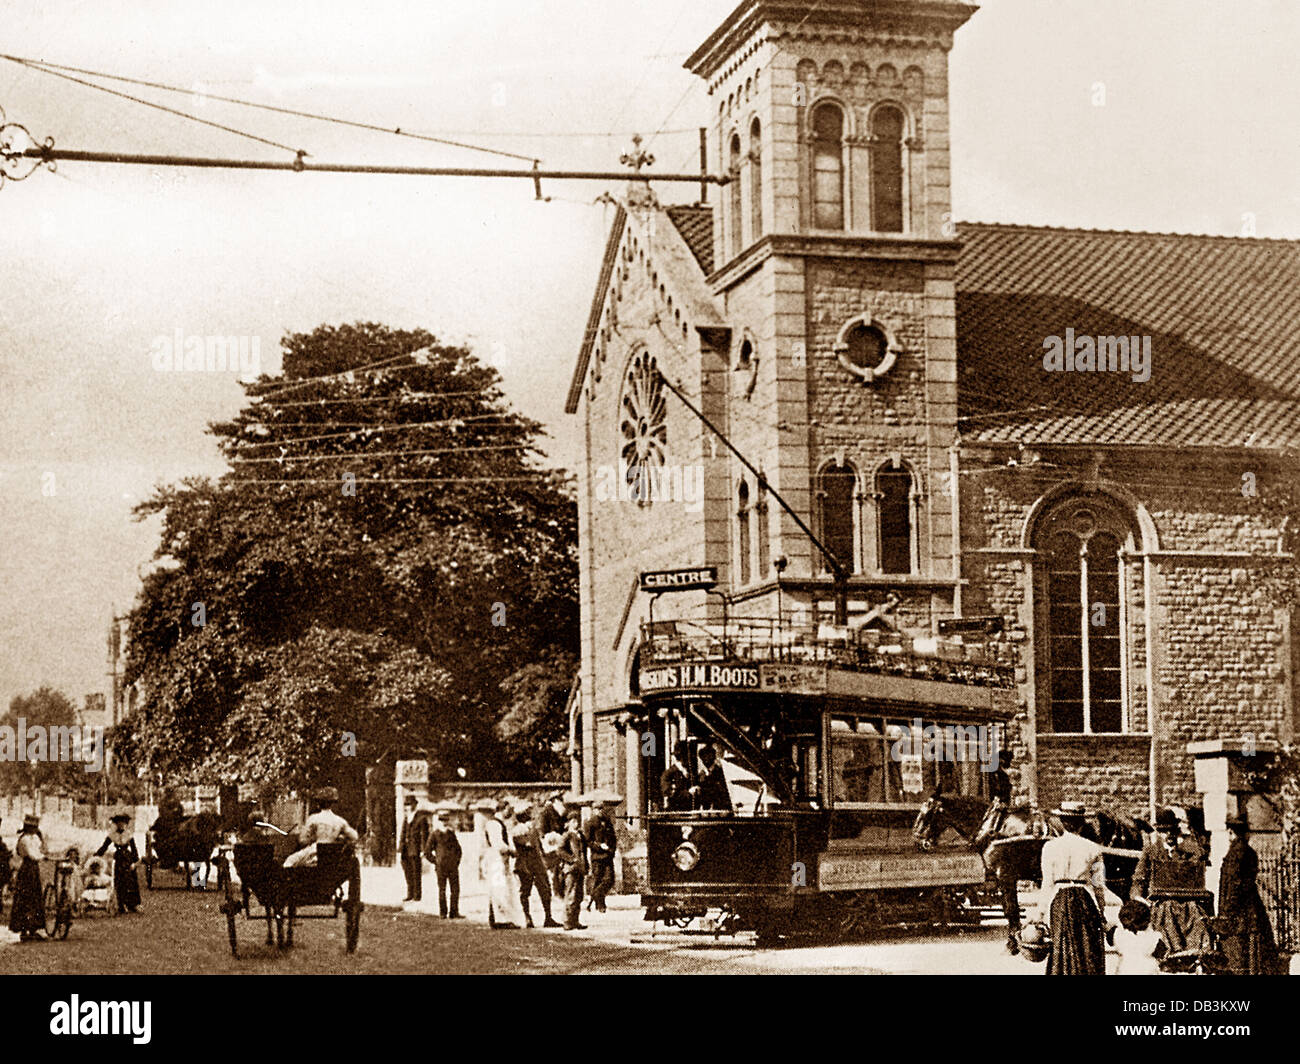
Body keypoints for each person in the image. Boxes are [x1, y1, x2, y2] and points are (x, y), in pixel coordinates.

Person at [1035, 801, 1107, 975]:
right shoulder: (1092, 848)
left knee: (1061, 945)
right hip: (1084, 900)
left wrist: (1039, 914)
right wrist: (1102, 912)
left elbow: (1047, 884)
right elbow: (1098, 886)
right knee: (1087, 947)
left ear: (1061, 821)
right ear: (1082, 824)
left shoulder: (1049, 847)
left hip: (1059, 900)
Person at [1130, 808, 1211, 956]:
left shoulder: (1187, 851)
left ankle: (1193, 955)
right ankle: (1171, 954)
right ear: (1158, 833)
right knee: (1165, 912)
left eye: (1171, 830)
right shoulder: (1151, 851)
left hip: (1187, 903)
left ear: (1177, 830)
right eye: (1163, 831)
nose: (1168, 835)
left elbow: (1200, 860)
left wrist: (1187, 847)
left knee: (1196, 913)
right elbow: (1138, 879)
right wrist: (1140, 901)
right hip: (1161, 903)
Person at [1217, 813, 1282, 975]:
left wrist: (1227, 912)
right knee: (1256, 952)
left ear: (1231, 832)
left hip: (1239, 914)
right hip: (1251, 909)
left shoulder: (1235, 854)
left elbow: (1234, 886)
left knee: (1240, 956)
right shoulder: (1248, 852)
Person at [283, 787, 359, 868]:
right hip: (333, 855)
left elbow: (302, 840)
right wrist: (341, 838)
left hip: (315, 851)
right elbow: (355, 837)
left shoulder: (313, 818)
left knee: (290, 860)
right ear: (332, 804)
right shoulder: (340, 821)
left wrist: (312, 838)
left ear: (319, 804)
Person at [478, 799, 525, 929]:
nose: (510, 813)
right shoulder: (494, 824)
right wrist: (512, 851)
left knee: (501, 888)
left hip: (499, 859)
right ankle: (501, 920)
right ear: (502, 809)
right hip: (496, 859)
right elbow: (498, 844)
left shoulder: (499, 823)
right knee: (499, 888)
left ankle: (498, 918)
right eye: (508, 810)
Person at [514, 806, 560, 928]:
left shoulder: (532, 830)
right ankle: (528, 918)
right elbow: (527, 844)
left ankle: (548, 917)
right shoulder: (518, 830)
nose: (531, 819)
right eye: (529, 817)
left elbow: (540, 847)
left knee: (545, 890)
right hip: (525, 865)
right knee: (525, 891)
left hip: (537, 864)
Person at [95, 813, 141, 914]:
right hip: (119, 859)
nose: (121, 825)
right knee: (119, 882)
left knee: (131, 882)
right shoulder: (112, 835)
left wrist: (135, 862)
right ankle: (121, 905)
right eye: (119, 823)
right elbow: (104, 847)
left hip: (128, 859)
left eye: (123, 823)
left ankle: (132, 905)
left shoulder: (128, 834)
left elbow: (134, 850)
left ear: (126, 824)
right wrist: (96, 855)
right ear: (116, 824)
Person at [10, 814, 46, 941]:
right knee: (27, 898)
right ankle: (24, 928)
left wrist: (42, 850)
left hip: (33, 869)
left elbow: (41, 849)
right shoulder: (24, 840)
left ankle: (33, 928)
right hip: (27, 869)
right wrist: (42, 857)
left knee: (35, 897)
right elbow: (32, 854)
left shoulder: (34, 838)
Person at [426, 809, 463, 919]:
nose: (444, 823)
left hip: (452, 866)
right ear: (439, 821)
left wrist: (456, 861)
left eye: (446, 820)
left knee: (455, 889)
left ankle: (454, 912)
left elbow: (458, 849)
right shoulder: (435, 834)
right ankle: (443, 912)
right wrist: (436, 861)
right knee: (442, 889)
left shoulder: (451, 833)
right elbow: (427, 851)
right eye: (442, 820)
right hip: (441, 866)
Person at [1112, 899, 1164, 975]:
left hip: (1125, 969)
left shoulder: (1119, 935)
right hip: (1147, 970)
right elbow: (1161, 953)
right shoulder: (1153, 937)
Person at [583, 800, 617, 913]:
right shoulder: (590, 823)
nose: (600, 811)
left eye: (601, 808)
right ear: (594, 810)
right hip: (597, 857)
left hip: (608, 856)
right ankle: (600, 905)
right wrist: (599, 846)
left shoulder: (607, 821)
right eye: (598, 809)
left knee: (610, 879)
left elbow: (613, 837)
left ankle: (594, 896)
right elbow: (588, 841)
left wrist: (612, 851)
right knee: (598, 880)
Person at [557, 807, 587, 930]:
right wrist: (571, 859)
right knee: (571, 895)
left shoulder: (580, 835)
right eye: (573, 821)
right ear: (568, 823)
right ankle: (567, 920)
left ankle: (575, 920)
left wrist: (585, 865)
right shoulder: (567, 835)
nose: (576, 823)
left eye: (577, 821)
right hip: (570, 869)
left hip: (580, 868)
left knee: (579, 895)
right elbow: (560, 850)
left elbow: (584, 852)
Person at [398, 795, 431, 903]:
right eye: (406, 805)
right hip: (405, 849)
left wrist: (423, 849)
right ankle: (410, 894)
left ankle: (417, 895)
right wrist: (400, 848)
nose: (408, 807)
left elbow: (424, 835)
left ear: (415, 805)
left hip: (415, 849)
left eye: (410, 804)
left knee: (416, 872)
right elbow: (402, 834)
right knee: (407, 872)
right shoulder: (407, 818)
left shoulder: (421, 818)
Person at [536, 790, 567, 899]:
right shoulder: (546, 812)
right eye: (559, 800)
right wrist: (549, 839)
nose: (562, 802)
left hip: (559, 846)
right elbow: (541, 831)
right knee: (555, 871)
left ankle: (560, 892)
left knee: (559, 869)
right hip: (550, 847)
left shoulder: (559, 813)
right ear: (554, 801)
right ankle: (557, 892)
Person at [695, 745, 732, 811]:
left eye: (707, 756)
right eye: (703, 757)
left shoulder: (720, 772)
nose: (705, 759)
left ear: (713, 757)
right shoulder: (701, 774)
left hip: (719, 808)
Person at [660, 741, 693, 811]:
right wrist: (688, 793)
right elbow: (670, 794)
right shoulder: (669, 774)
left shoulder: (690, 772)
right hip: (676, 814)